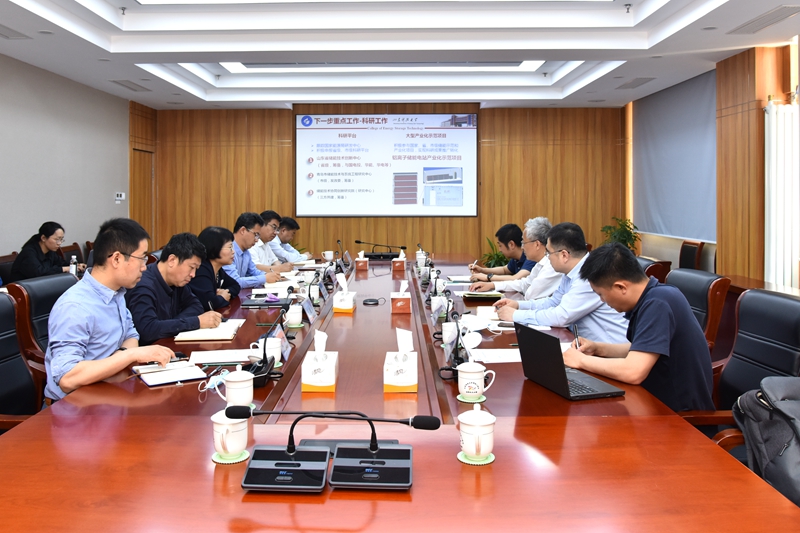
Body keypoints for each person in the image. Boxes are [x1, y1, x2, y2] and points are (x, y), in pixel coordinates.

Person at [563, 243, 714, 412]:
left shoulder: (658, 303)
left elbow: (633, 372)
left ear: (621, 287)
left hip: (679, 417)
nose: (602, 301)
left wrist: (580, 361)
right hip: (651, 403)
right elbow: (643, 348)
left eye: (601, 294)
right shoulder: (654, 296)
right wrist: (598, 348)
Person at [44, 218, 173, 401]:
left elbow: (131, 335)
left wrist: (121, 357)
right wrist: (130, 356)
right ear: (117, 259)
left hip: (109, 392)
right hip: (75, 406)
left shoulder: (116, 293)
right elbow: (67, 378)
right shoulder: (75, 307)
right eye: (142, 258)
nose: (145, 267)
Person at [495, 222, 628, 344]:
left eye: (548, 252)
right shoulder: (570, 272)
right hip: (581, 344)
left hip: (609, 351)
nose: (547, 257)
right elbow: (553, 302)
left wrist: (515, 315)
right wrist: (518, 305)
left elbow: (561, 316)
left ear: (564, 255)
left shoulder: (590, 275)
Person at [125, 233, 222, 345]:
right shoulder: (143, 286)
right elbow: (148, 330)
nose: (193, 274)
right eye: (191, 267)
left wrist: (172, 324)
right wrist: (196, 322)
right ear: (172, 260)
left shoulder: (177, 281)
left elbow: (196, 306)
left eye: (196, 269)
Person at [469, 217, 561, 300]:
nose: (522, 247)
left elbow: (530, 296)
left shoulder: (551, 266)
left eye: (524, 243)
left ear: (537, 244)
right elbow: (524, 284)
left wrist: (489, 280)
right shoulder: (540, 263)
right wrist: (493, 285)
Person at [9, 221, 85, 282]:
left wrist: (77, 265)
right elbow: (39, 272)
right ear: (43, 238)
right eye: (57, 239)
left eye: (61, 239)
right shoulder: (28, 252)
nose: (59, 243)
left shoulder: (50, 251)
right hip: (22, 291)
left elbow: (61, 263)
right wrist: (65, 269)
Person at [189, 226, 242, 310]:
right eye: (230, 247)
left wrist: (225, 293)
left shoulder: (218, 270)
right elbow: (209, 303)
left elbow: (235, 286)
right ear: (215, 248)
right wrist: (222, 298)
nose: (233, 252)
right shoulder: (200, 270)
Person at [468, 223, 535, 283]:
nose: (499, 250)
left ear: (511, 244)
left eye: (500, 245)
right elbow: (504, 270)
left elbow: (516, 278)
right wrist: (482, 270)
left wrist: (488, 277)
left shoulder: (531, 257)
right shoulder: (516, 258)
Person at [222, 212, 269, 289]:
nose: (257, 240)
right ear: (243, 230)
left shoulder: (246, 252)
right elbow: (235, 282)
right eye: (256, 235)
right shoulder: (227, 251)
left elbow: (254, 271)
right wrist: (265, 278)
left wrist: (268, 275)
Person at [251, 210, 293, 277]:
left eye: (277, 229)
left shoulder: (266, 243)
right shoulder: (252, 243)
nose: (275, 233)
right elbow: (255, 267)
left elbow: (275, 262)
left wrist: (280, 270)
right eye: (274, 227)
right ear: (261, 225)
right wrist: (280, 268)